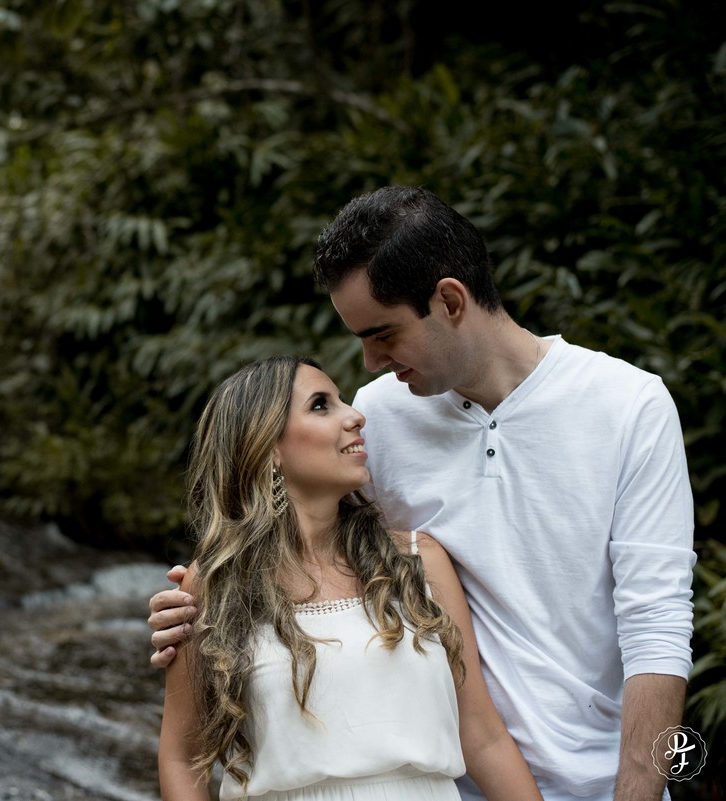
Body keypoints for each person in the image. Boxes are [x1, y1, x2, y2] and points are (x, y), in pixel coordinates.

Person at [150, 186, 696, 801]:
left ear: (450, 300)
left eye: (382, 334)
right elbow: (317, 563)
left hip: (606, 783)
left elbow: (658, 626)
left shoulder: (630, 405)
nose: (369, 362)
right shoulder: (380, 417)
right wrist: (198, 609)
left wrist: (641, 791)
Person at [158, 355, 543, 801]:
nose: (355, 416)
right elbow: (182, 757)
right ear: (268, 448)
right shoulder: (216, 585)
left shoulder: (418, 562)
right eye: (322, 405)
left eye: (342, 401)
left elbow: (481, 735)